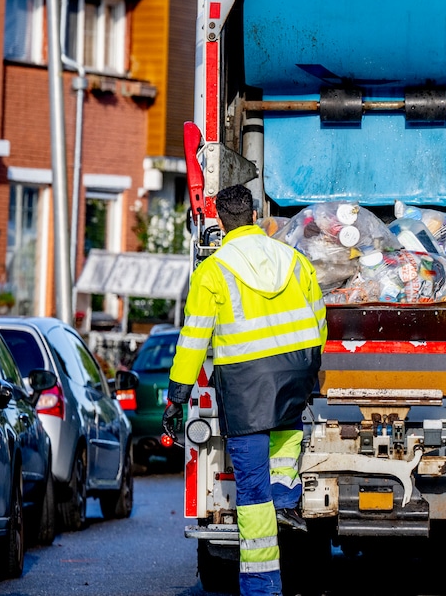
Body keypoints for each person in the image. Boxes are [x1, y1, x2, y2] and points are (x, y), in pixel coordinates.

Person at [163, 184, 327, 596]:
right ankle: (285, 495)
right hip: (294, 376)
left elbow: (194, 339)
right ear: (255, 216)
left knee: (251, 493)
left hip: (244, 387)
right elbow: (319, 319)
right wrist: (307, 368)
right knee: (286, 438)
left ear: (219, 220)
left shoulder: (212, 272)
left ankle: (261, 585)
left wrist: (178, 396)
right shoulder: (294, 260)